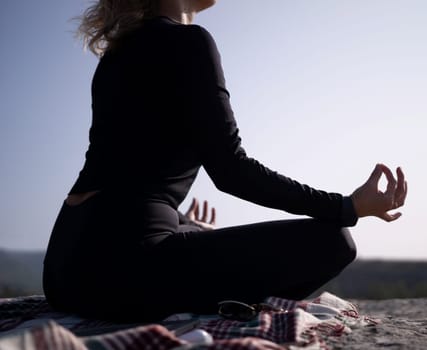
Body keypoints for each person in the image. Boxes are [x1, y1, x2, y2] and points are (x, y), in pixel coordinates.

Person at [43, 0, 408, 322]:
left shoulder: (118, 53)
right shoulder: (190, 42)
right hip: (125, 275)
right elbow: (231, 170)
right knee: (334, 242)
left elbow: (122, 172)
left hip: (64, 270)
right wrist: (347, 206)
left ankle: (188, 240)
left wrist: (183, 223)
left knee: (196, 233)